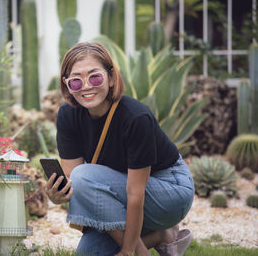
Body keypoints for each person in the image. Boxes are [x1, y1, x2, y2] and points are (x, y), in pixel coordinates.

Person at [45, 41, 195, 256]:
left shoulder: (135, 117)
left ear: (112, 77)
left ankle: (139, 250)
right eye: (76, 81)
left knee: (83, 177)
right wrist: (58, 195)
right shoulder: (67, 116)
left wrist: (127, 251)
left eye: (94, 77)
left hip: (170, 191)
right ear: (67, 84)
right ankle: (164, 236)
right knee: (89, 253)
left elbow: (135, 193)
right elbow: (76, 185)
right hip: (120, 191)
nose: (86, 86)